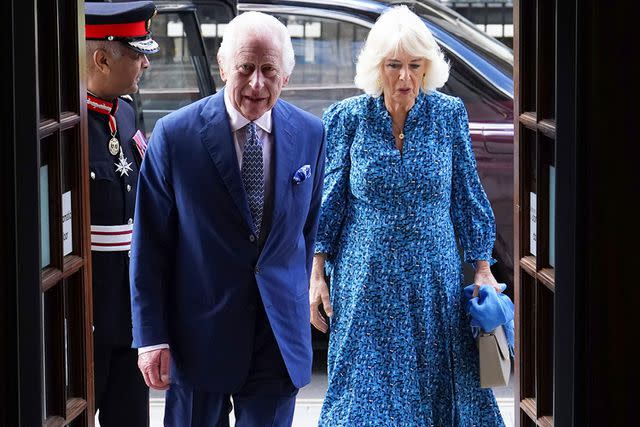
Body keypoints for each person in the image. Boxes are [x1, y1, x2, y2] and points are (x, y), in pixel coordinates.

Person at [309, 5, 506, 426]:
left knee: (441, 393)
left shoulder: (448, 114)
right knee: (361, 399)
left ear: (428, 67)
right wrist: (316, 272)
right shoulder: (347, 118)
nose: (404, 78)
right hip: (366, 283)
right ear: (375, 67)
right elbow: (329, 202)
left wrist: (483, 267)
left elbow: (466, 195)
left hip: (434, 282)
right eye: (393, 65)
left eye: (415, 66)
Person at [129, 11, 326, 427]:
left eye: (269, 70)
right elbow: (150, 248)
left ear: (286, 77)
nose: (257, 83)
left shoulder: (311, 134)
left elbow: (305, 231)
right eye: (246, 68)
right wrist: (151, 337)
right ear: (222, 68)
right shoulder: (175, 135)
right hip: (199, 337)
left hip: (276, 338)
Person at [85, 1, 159, 426]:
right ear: (101, 57)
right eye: (136, 54)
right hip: (84, 317)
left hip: (129, 317)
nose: (145, 63)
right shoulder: (66, 123)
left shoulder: (123, 111)